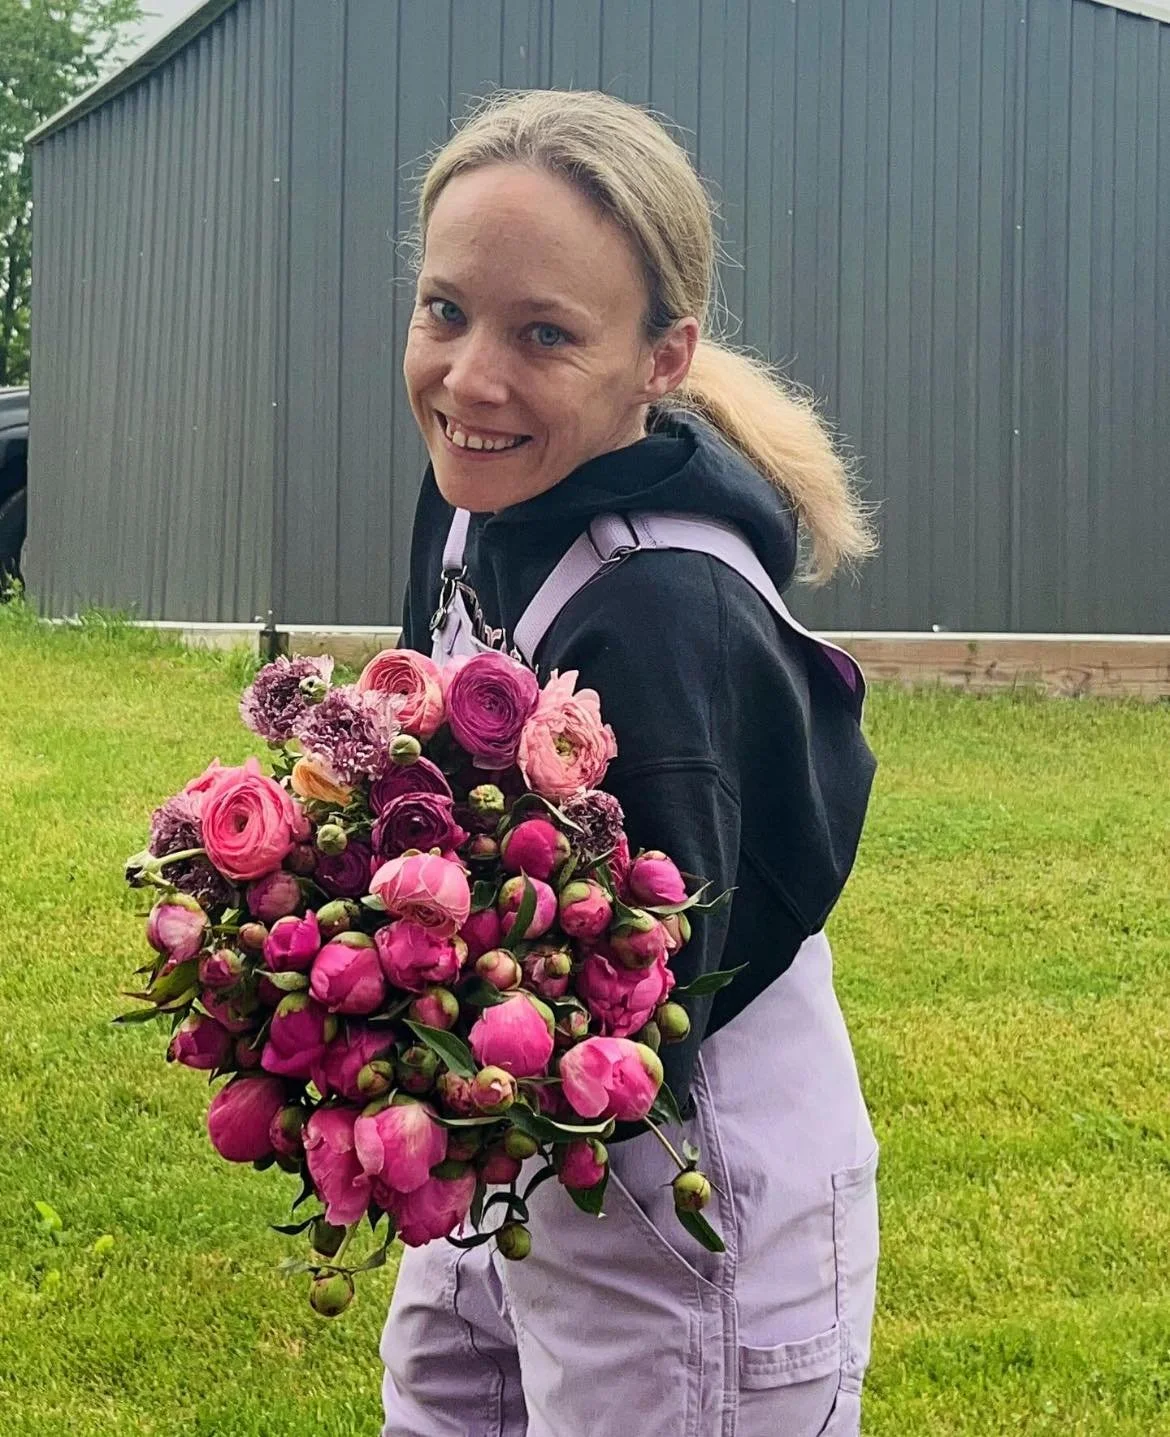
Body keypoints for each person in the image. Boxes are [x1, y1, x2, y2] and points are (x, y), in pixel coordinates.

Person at [381, 88, 880, 1437]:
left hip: (680, 1193)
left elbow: (653, 1002)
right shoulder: (480, 486)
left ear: (661, 358)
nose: (470, 380)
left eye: (544, 334)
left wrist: (376, 1010)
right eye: (444, 312)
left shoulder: (665, 612)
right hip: (517, 1144)